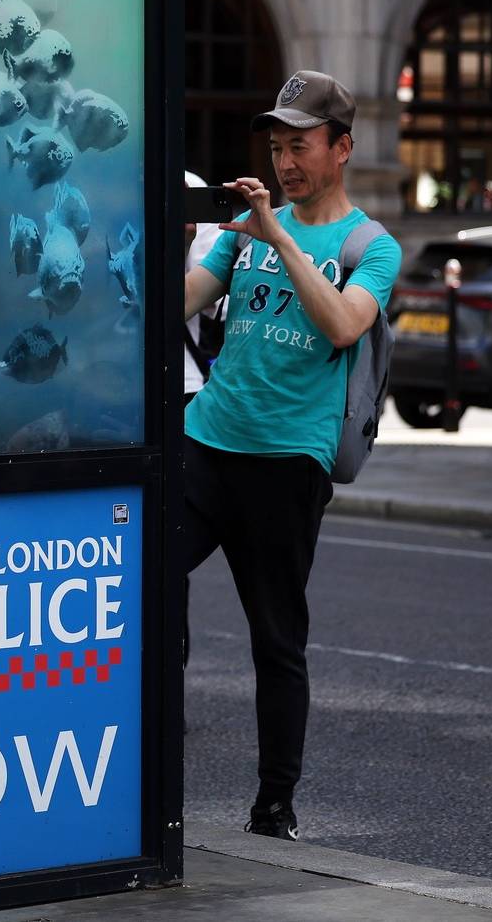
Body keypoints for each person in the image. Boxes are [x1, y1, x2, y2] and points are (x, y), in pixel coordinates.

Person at [182, 70, 402, 840]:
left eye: (300, 145)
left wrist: (279, 237)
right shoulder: (247, 229)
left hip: (287, 463)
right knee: (146, 572)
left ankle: (275, 803)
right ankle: (146, 765)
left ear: (341, 148)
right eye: (276, 147)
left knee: (276, 640)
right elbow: (181, 300)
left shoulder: (369, 245)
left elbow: (343, 324)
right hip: (207, 439)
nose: (285, 162)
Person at [181, 170, 223, 406]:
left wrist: (182, 245)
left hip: (178, 375)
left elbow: (211, 298)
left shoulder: (188, 185)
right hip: (88, 373)